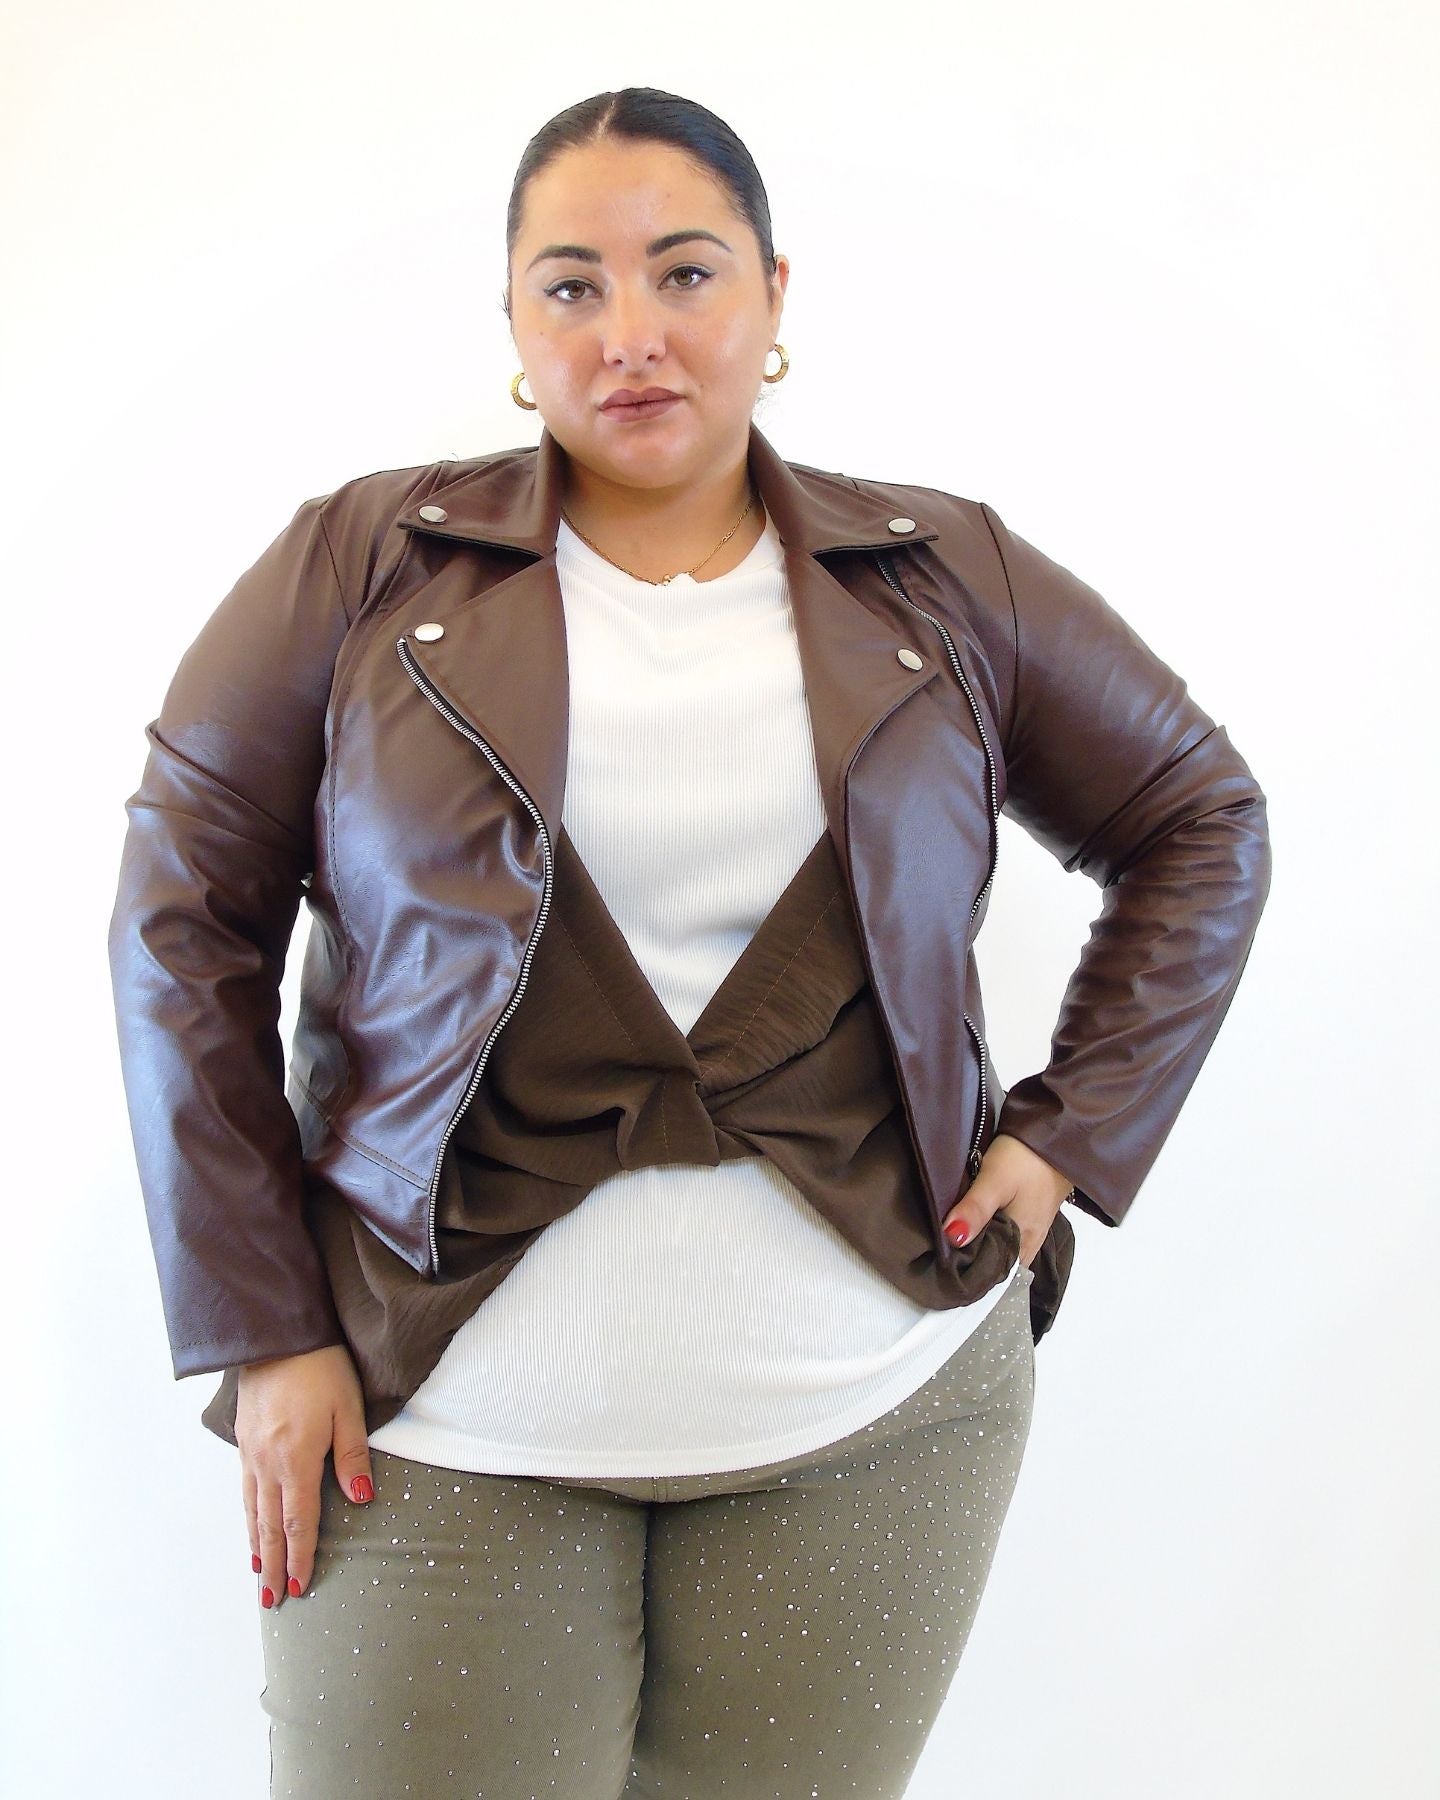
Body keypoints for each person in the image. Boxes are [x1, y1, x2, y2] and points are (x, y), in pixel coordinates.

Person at [107, 85, 1272, 1800]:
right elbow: (181, 919)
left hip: (877, 1428)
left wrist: (1070, 1134)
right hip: (431, 1431)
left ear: (775, 295)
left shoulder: (948, 574)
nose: (631, 333)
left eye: (686, 272)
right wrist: (263, 1326)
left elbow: (1201, 818)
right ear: (515, 322)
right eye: (571, 285)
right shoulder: (358, 566)